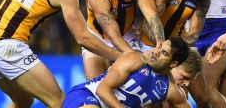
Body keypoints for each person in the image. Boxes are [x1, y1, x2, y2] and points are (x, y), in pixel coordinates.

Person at [0, 0, 121, 107]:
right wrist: (118, 56)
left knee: (23, 101)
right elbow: (82, 37)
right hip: (9, 48)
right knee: (61, 102)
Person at [82, 0, 165, 80]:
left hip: (128, 36)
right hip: (99, 40)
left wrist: (160, 42)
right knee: (97, 90)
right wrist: (134, 56)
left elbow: (151, 15)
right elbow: (113, 34)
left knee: (140, 87)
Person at [63, 37, 196, 108]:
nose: (156, 52)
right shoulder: (135, 58)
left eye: (164, 53)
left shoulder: (171, 89)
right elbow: (102, 90)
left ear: (173, 64)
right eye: (159, 46)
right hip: (85, 95)